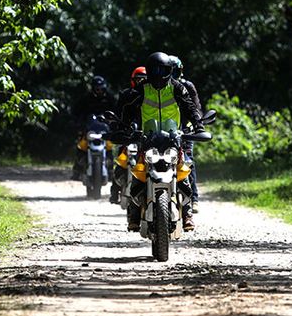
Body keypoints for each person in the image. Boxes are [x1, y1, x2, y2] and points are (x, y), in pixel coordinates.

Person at [118, 52, 202, 231]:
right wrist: (123, 127)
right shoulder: (142, 88)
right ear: (148, 71)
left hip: (173, 137)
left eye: (162, 70)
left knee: (182, 170)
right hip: (147, 138)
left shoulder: (177, 87)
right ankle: (134, 214)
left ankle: (187, 213)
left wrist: (198, 125)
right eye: (154, 70)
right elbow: (129, 108)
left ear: (169, 71)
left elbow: (190, 106)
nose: (158, 74)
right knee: (139, 172)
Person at [169, 55, 202, 214]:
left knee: (188, 161)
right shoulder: (159, 88)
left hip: (184, 130)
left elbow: (196, 109)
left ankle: (193, 199)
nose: (172, 74)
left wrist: (193, 125)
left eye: (176, 71)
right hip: (165, 130)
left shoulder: (187, 86)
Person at [109, 66, 147, 204]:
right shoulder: (126, 94)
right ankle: (114, 191)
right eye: (138, 79)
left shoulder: (151, 95)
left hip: (147, 133)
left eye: (144, 79)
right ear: (133, 80)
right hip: (129, 132)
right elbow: (118, 113)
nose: (141, 82)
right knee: (121, 159)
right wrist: (116, 128)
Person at [72, 75, 116, 179]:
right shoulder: (86, 98)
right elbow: (76, 111)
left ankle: (111, 169)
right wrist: (78, 122)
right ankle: (77, 169)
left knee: (110, 147)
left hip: (105, 130)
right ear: (93, 88)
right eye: (97, 89)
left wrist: (115, 123)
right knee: (81, 145)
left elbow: (117, 112)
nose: (99, 91)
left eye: (101, 89)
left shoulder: (110, 98)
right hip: (89, 129)